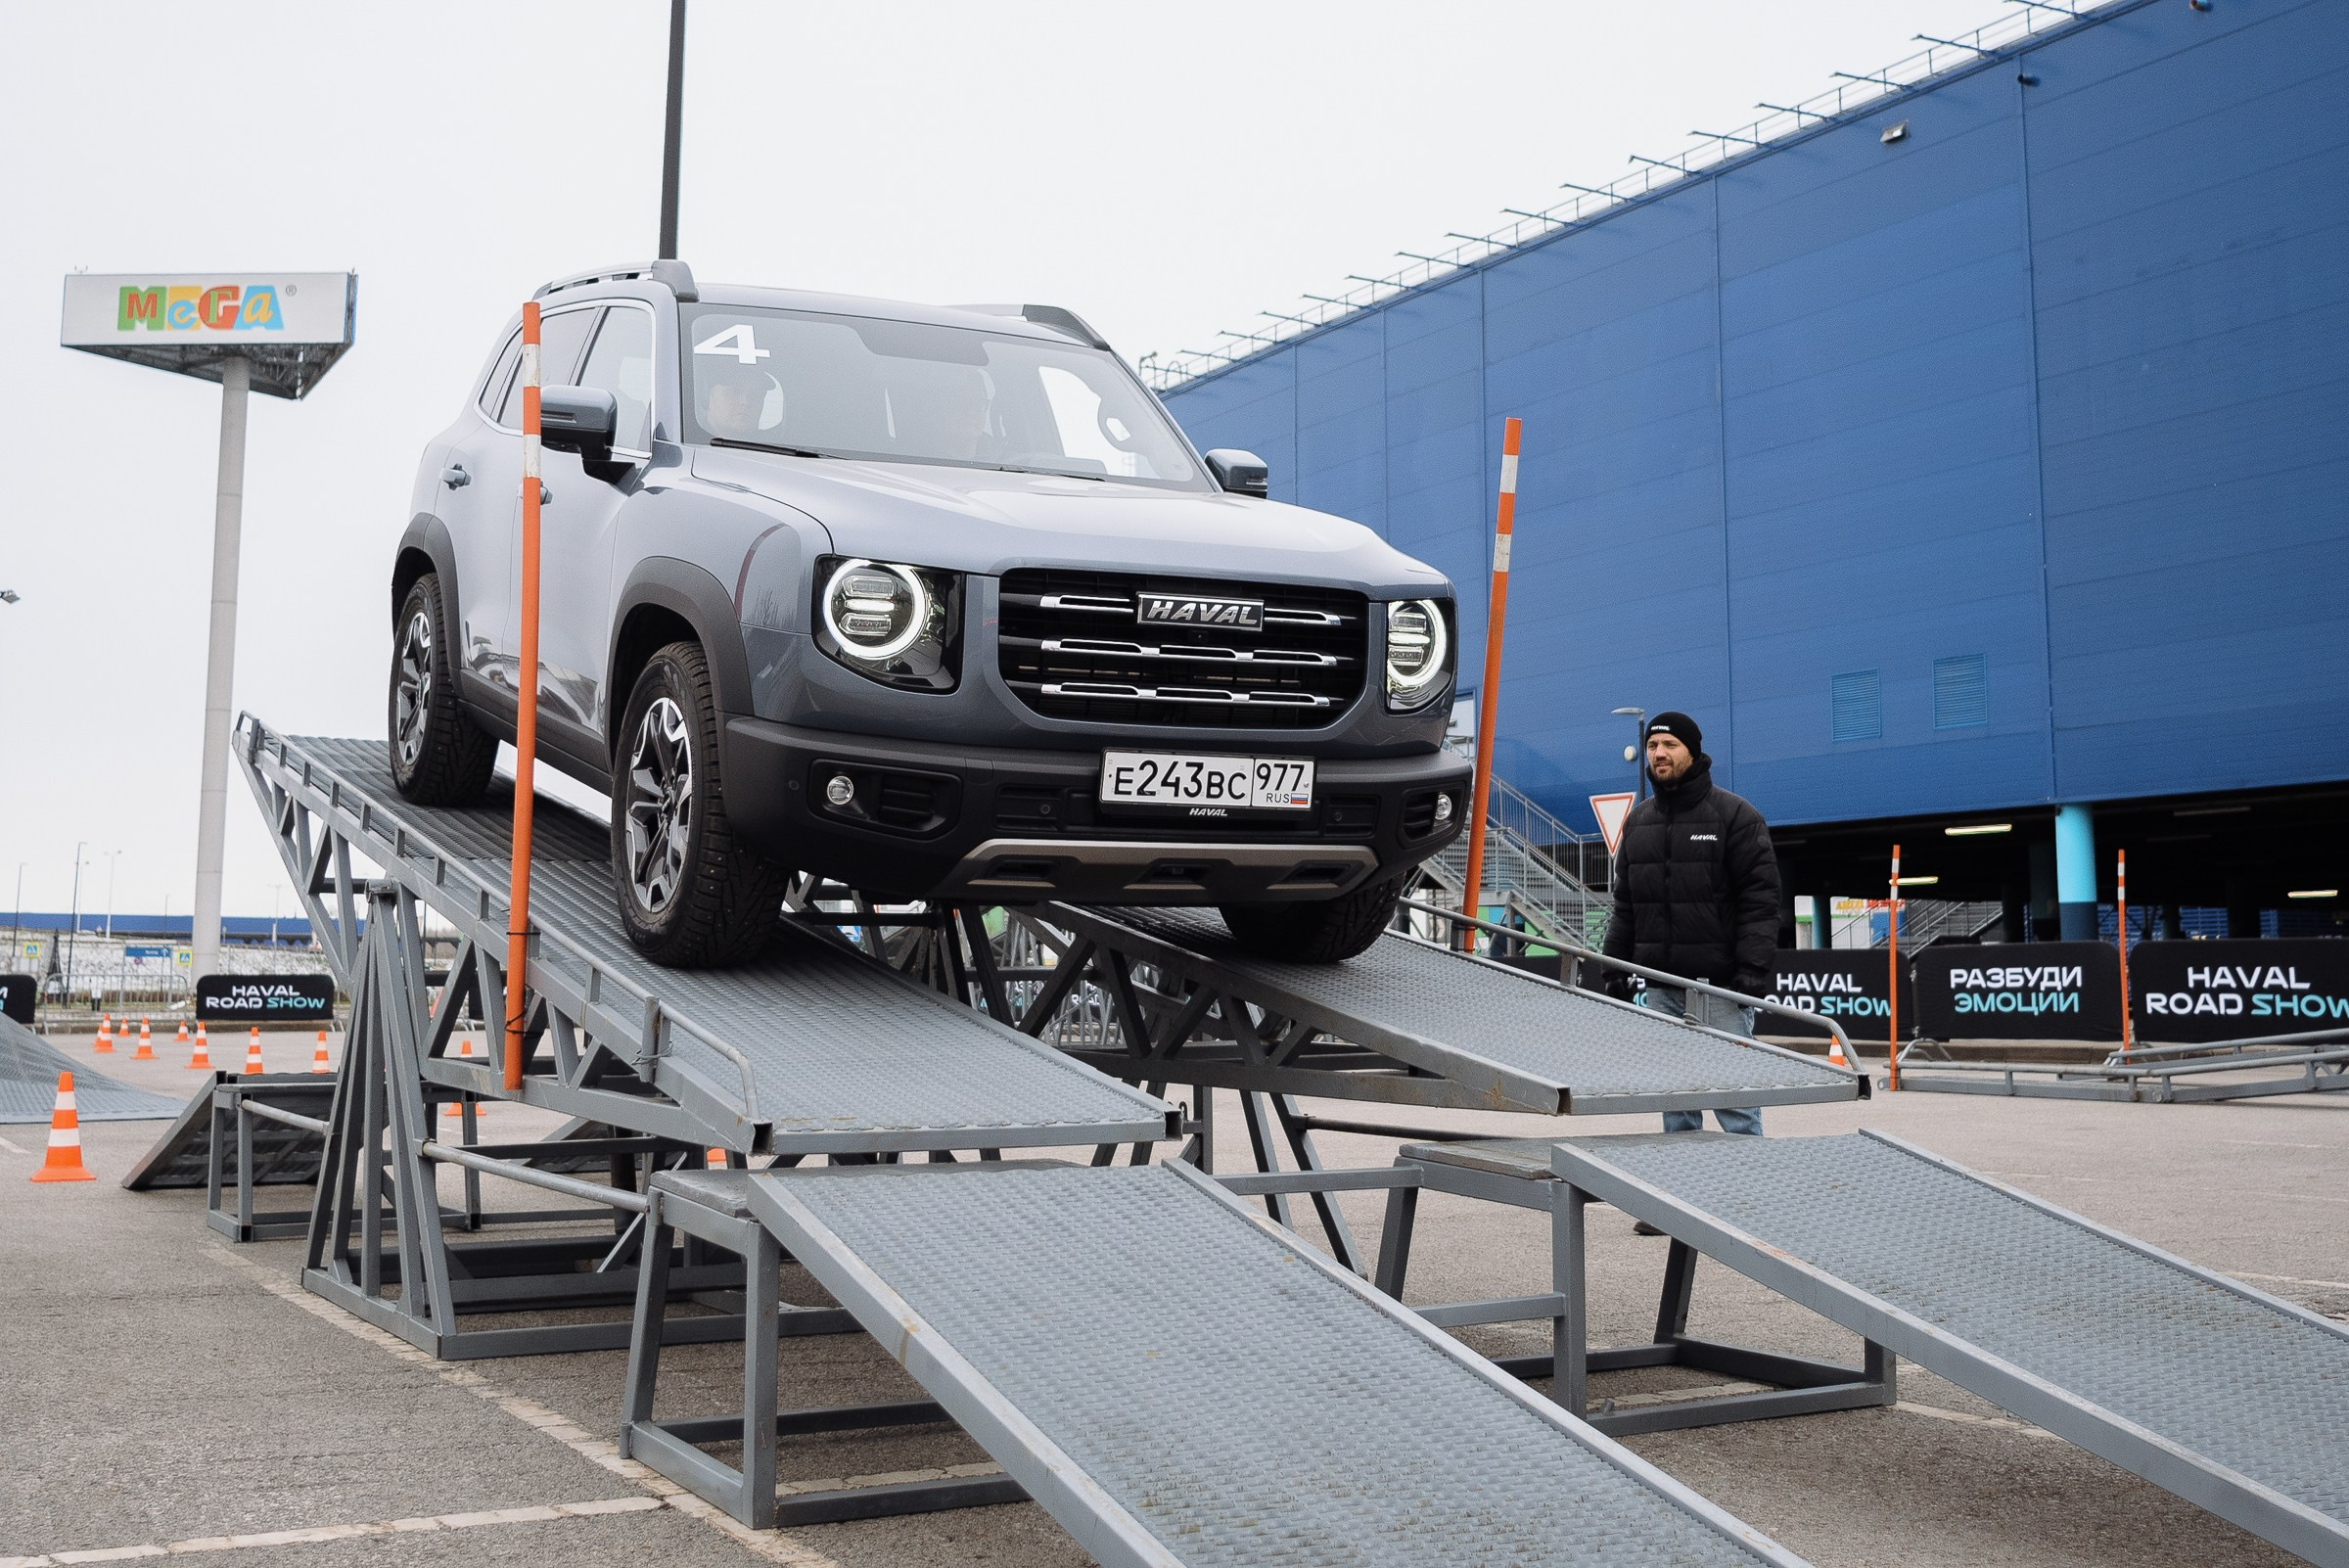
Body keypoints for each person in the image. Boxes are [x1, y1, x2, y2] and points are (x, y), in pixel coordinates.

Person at [1601, 712, 1780, 1141]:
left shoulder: (1735, 816)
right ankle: (1678, 1202)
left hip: (1718, 988)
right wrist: (1613, 968)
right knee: (1675, 1102)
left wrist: (1752, 970)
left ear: (1693, 751)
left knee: (1735, 1101)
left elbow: (1761, 900)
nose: (1659, 754)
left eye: (1670, 745)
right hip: (1661, 987)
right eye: (1652, 746)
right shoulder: (1639, 822)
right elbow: (1626, 904)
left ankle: (1749, 1200)